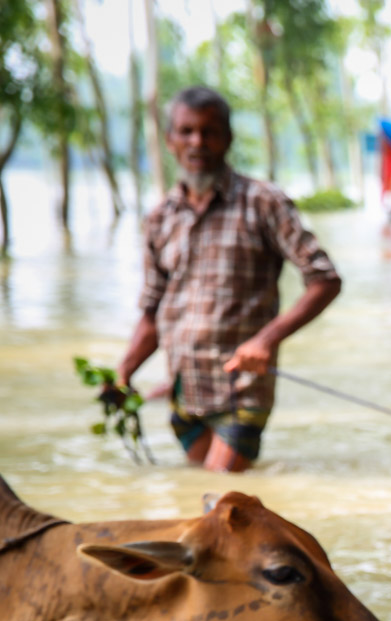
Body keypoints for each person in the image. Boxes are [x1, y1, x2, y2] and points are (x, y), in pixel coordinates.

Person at [117, 86, 341, 473]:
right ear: (170, 140)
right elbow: (152, 310)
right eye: (186, 131)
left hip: (241, 391)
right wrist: (124, 372)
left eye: (209, 132)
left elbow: (325, 279)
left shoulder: (263, 202)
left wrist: (266, 340)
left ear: (228, 138)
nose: (197, 142)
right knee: (198, 494)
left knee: (220, 493)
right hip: (184, 392)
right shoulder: (160, 217)